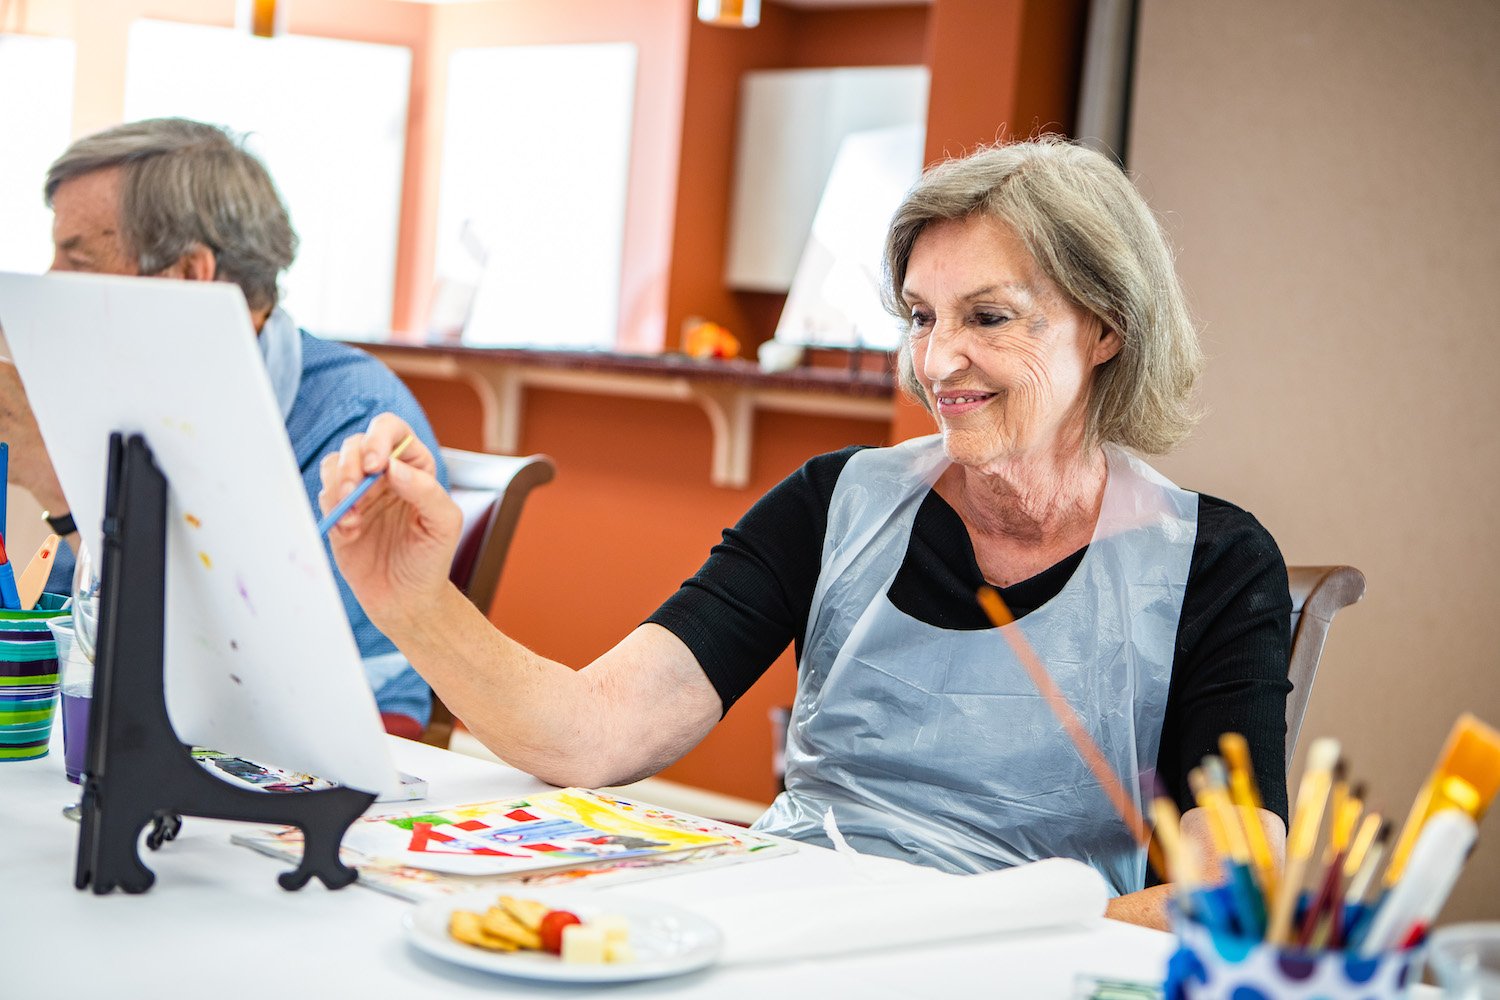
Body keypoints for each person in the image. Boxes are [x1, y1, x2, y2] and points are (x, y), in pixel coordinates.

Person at [319, 137, 1291, 929]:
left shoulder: (1211, 560)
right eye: (920, 315)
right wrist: (413, 599)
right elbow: (594, 733)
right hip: (792, 922)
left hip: (1019, 957)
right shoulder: (836, 500)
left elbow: (1233, 894)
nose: (937, 359)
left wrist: (983, 940)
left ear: (1106, 325)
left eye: (988, 316)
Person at [0, 117, 448, 736]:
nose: (49, 284)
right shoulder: (130, 385)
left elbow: (240, 667)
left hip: (333, 747)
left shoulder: (353, 422)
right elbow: (59, 618)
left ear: (188, 275)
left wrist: (60, 486)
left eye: (77, 259)